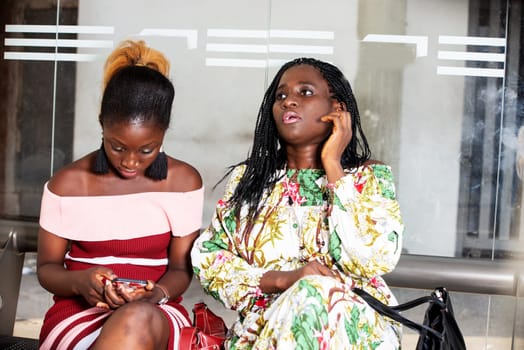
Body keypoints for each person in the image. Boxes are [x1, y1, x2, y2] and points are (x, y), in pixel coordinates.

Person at [191, 57, 404, 349]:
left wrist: (334, 167)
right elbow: (209, 261)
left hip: (355, 330)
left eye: (305, 92)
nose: (289, 101)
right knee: (308, 292)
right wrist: (283, 280)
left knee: (315, 292)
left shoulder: (367, 178)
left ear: (337, 108)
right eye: (281, 95)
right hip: (266, 331)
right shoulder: (250, 180)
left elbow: (374, 257)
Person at [37, 40, 203, 350]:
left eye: (146, 150)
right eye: (117, 146)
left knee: (136, 318)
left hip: (159, 312)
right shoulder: (67, 185)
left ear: (164, 132)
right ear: (102, 126)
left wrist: (156, 295)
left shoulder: (183, 182)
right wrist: (81, 281)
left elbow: (180, 270)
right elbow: (47, 268)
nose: (130, 162)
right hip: (79, 313)